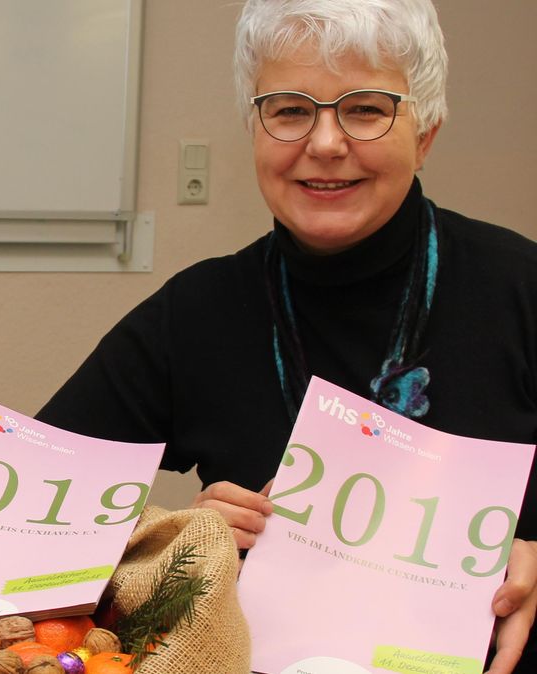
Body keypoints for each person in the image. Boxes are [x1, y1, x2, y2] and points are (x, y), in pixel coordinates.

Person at [36, 0, 537, 671]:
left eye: (365, 109)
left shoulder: (520, 288)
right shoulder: (197, 312)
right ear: (255, 127)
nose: (325, 144)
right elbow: (33, 512)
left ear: (426, 133)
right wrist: (180, 540)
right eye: (290, 109)